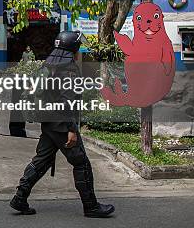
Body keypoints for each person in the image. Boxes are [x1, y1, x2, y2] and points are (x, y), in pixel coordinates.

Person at [9, 31, 115, 218]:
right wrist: (72, 130)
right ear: (72, 48)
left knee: (41, 161)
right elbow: (68, 103)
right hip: (62, 125)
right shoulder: (68, 69)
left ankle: (20, 197)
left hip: (49, 123)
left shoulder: (49, 64)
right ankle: (91, 206)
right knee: (81, 163)